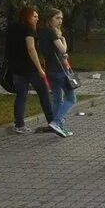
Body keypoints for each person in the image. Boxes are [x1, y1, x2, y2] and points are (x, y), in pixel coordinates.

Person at [7, 6, 55, 134]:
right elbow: (31, 48)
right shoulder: (28, 29)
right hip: (31, 68)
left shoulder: (12, 28)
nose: (37, 18)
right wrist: (39, 68)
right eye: (34, 16)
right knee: (44, 93)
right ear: (27, 16)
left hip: (16, 68)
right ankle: (52, 122)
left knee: (21, 96)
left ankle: (19, 125)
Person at [36, 8, 76, 137]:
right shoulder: (51, 32)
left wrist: (62, 55)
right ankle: (57, 122)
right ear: (49, 19)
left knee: (57, 99)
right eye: (57, 18)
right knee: (71, 98)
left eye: (61, 18)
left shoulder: (40, 32)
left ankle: (59, 127)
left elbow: (52, 52)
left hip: (50, 70)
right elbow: (63, 49)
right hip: (59, 71)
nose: (60, 21)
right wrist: (63, 39)